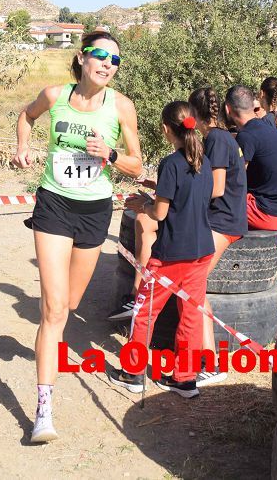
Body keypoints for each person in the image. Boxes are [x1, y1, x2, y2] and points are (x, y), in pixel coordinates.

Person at [11, 32, 142, 444]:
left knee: (68, 305)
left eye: (115, 60)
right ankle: (44, 409)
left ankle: (49, 345)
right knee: (52, 309)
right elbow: (25, 116)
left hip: (94, 211)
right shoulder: (55, 96)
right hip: (54, 205)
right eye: (100, 55)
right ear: (83, 58)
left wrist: (112, 154)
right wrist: (22, 147)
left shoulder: (121, 106)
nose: (107, 64)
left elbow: (137, 166)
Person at [107, 101, 215, 400]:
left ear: (167, 129)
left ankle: (132, 372)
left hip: (171, 255)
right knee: (190, 315)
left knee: (144, 312)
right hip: (201, 250)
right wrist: (159, 189)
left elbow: (161, 213)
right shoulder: (202, 160)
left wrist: (144, 204)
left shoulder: (171, 164)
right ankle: (185, 379)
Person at [190, 86, 247, 384]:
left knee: (195, 288)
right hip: (222, 219)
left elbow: (217, 188)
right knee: (194, 288)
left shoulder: (216, 140)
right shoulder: (220, 137)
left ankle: (210, 363)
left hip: (223, 221)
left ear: (194, 115)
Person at [227, 85, 277, 281]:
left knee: (214, 203)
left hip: (264, 212)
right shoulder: (265, 127)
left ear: (227, 109)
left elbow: (234, 181)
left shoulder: (246, 136)